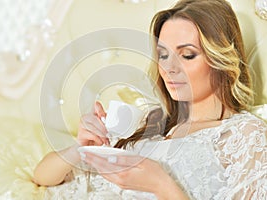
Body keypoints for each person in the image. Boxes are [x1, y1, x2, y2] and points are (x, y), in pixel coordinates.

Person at [33, 0, 267, 199]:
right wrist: (81, 148)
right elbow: (43, 176)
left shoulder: (245, 135)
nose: (169, 68)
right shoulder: (147, 120)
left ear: (221, 60)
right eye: (163, 55)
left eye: (187, 55)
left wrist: (161, 185)